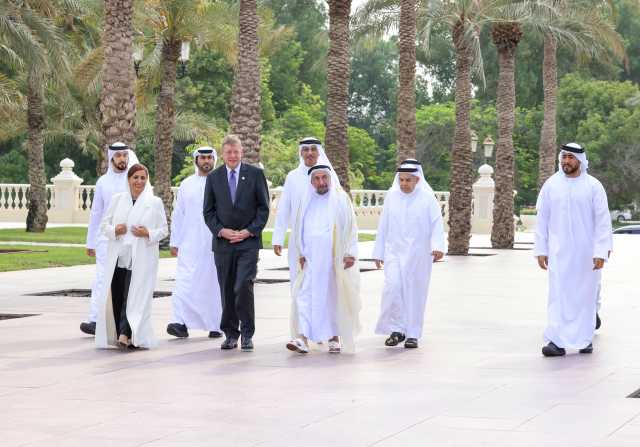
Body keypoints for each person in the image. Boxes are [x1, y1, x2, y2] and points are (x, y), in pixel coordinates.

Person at [534, 143, 612, 357]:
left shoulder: (594, 186)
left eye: (570, 157)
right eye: (564, 157)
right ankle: (556, 341)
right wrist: (541, 249)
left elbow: (603, 221)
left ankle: (584, 338)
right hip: (558, 252)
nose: (566, 161)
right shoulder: (551, 185)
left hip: (587, 254)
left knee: (585, 296)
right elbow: (542, 220)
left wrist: (601, 251)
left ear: (580, 160)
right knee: (558, 295)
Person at [203, 135, 270, 352]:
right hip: (223, 244)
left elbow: (263, 208)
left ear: (242, 152)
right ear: (223, 154)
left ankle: (247, 334)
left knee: (243, 285)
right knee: (227, 289)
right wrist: (221, 231)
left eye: (236, 152)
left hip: (248, 243)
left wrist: (248, 232)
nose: (232, 156)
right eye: (228, 152)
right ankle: (230, 334)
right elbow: (208, 211)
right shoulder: (213, 178)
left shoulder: (255, 174)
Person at [286, 164, 361, 355]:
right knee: (304, 296)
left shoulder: (341, 200)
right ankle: (302, 338)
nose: (321, 182)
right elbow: (298, 229)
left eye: (324, 178)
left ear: (330, 179)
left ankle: (334, 337)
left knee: (332, 297)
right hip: (311, 259)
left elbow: (351, 227)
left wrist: (350, 252)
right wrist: (301, 253)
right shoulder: (306, 201)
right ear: (311, 182)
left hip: (333, 259)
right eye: (317, 179)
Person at [372, 159, 445, 349]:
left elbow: (437, 223)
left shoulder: (428, 199)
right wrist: (378, 251)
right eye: (401, 180)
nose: (404, 184)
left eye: (408, 180)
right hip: (394, 252)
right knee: (393, 288)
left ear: (417, 180)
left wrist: (437, 246)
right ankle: (397, 329)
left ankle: (412, 333)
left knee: (414, 293)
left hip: (418, 254)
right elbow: (383, 225)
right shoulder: (392, 196)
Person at [95, 164, 168, 350]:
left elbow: (164, 230)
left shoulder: (154, 202)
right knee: (118, 294)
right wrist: (115, 230)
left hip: (142, 257)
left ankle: (125, 334)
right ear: (129, 179)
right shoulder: (117, 200)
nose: (139, 181)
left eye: (143, 178)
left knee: (133, 295)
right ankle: (123, 333)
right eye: (135, 177)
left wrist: (148, 233)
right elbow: (104, 225)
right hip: (119, 256)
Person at [81, 142, 139, 335]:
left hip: (129, 239)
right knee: (101, 279)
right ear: (111, 158)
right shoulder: (102, 182)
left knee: (125, 282)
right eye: (118, 155)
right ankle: (95, 320)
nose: (122, 159)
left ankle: (122, 324)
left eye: (125, 155)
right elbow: (96, 213)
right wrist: (91, 242)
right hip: (105, 238)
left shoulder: (135, 180)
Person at [167, 147, 223, 339]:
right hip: (189, 242)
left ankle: (216, 324)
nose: (206, 161)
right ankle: (179, 322)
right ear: (196, 160)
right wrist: (175, 241)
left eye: (209, 157)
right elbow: (179, 214)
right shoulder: (186, 184)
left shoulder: (221, 182)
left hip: (213, 242)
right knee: (185, 280)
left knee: (213, 283)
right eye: (202, 158)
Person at [272, 137, 331, 283]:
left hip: (325, 242)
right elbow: (284, 208)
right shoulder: (293, 177)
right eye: (306, 149)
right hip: (298, 241)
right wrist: (278, 238)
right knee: (299, 283)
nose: (309, 153)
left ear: (319, 152)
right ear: (301, 153)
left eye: (313, 149)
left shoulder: (328, 177)